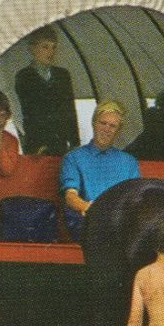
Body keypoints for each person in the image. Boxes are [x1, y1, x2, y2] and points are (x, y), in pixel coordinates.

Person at [60, 101, 141, 240]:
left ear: (118, 130)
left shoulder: (129, 162)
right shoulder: (74, 158)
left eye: (112, 126)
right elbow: (70, 197)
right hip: (88, 220)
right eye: (103, 123)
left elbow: (135, 200)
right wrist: (91, 209)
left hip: (119, 223)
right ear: (94, 123)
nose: (106, 129)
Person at [13, 26, 79, 157]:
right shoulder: (24, 76)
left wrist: (74, 142)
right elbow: (31, 112)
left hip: (60, 143)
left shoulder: (63, 75)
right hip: (37, 144)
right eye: (45, 47)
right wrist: (39, 145)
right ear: (32, 49)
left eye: (54, 47)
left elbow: (69, 110)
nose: (51, 52)